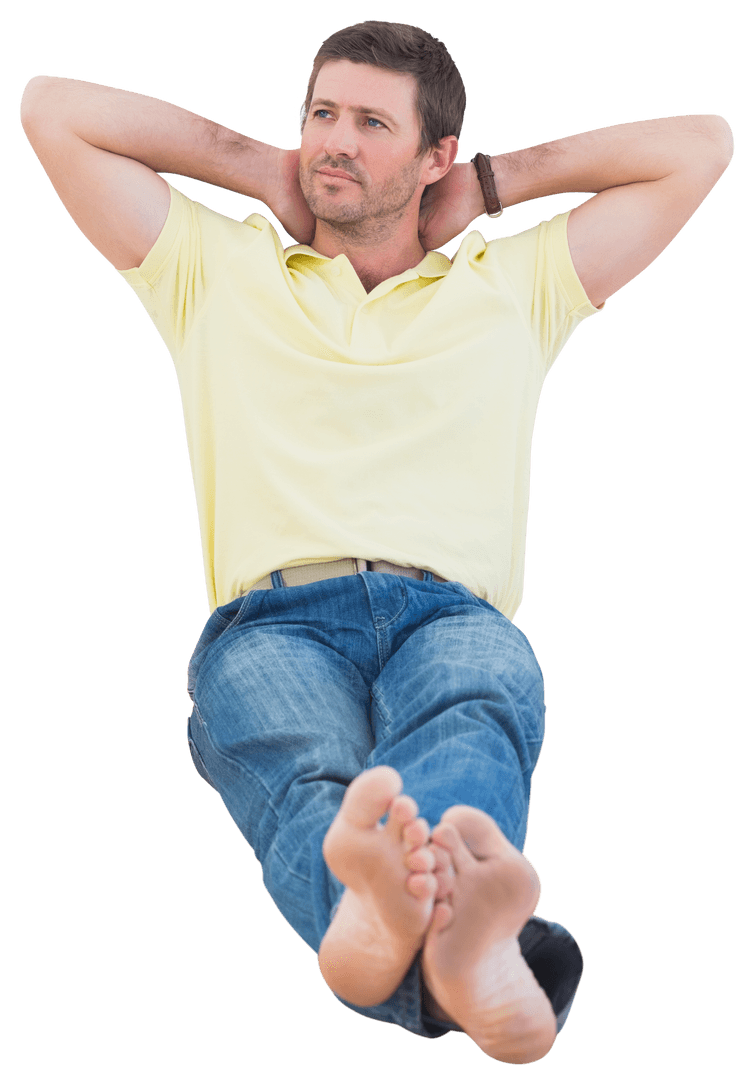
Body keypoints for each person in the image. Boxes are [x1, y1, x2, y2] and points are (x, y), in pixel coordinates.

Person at [19, 20, 733, 1065]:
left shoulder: (513, 286)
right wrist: (263, 169)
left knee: (472, 707)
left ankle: (384, 936)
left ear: (436, 156)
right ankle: (461, 945)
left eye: (370, 124)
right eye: (321, 114)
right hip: (274, 622)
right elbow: (49, 107)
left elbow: (703, 144)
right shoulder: (212, 268)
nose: (335, 141)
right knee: (306, 771)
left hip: (448, 612)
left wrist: (491, 185)